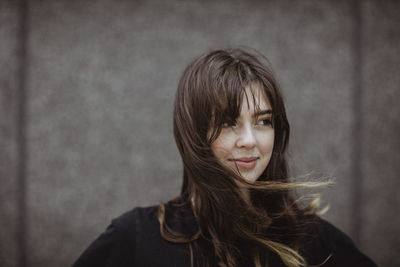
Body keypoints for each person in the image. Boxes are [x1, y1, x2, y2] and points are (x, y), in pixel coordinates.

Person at [72, 48, 377, 267]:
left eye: (263, 121)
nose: (249, 140)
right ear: (195, 133)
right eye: (229, 122)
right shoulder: (137, 237)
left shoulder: (315, 240)